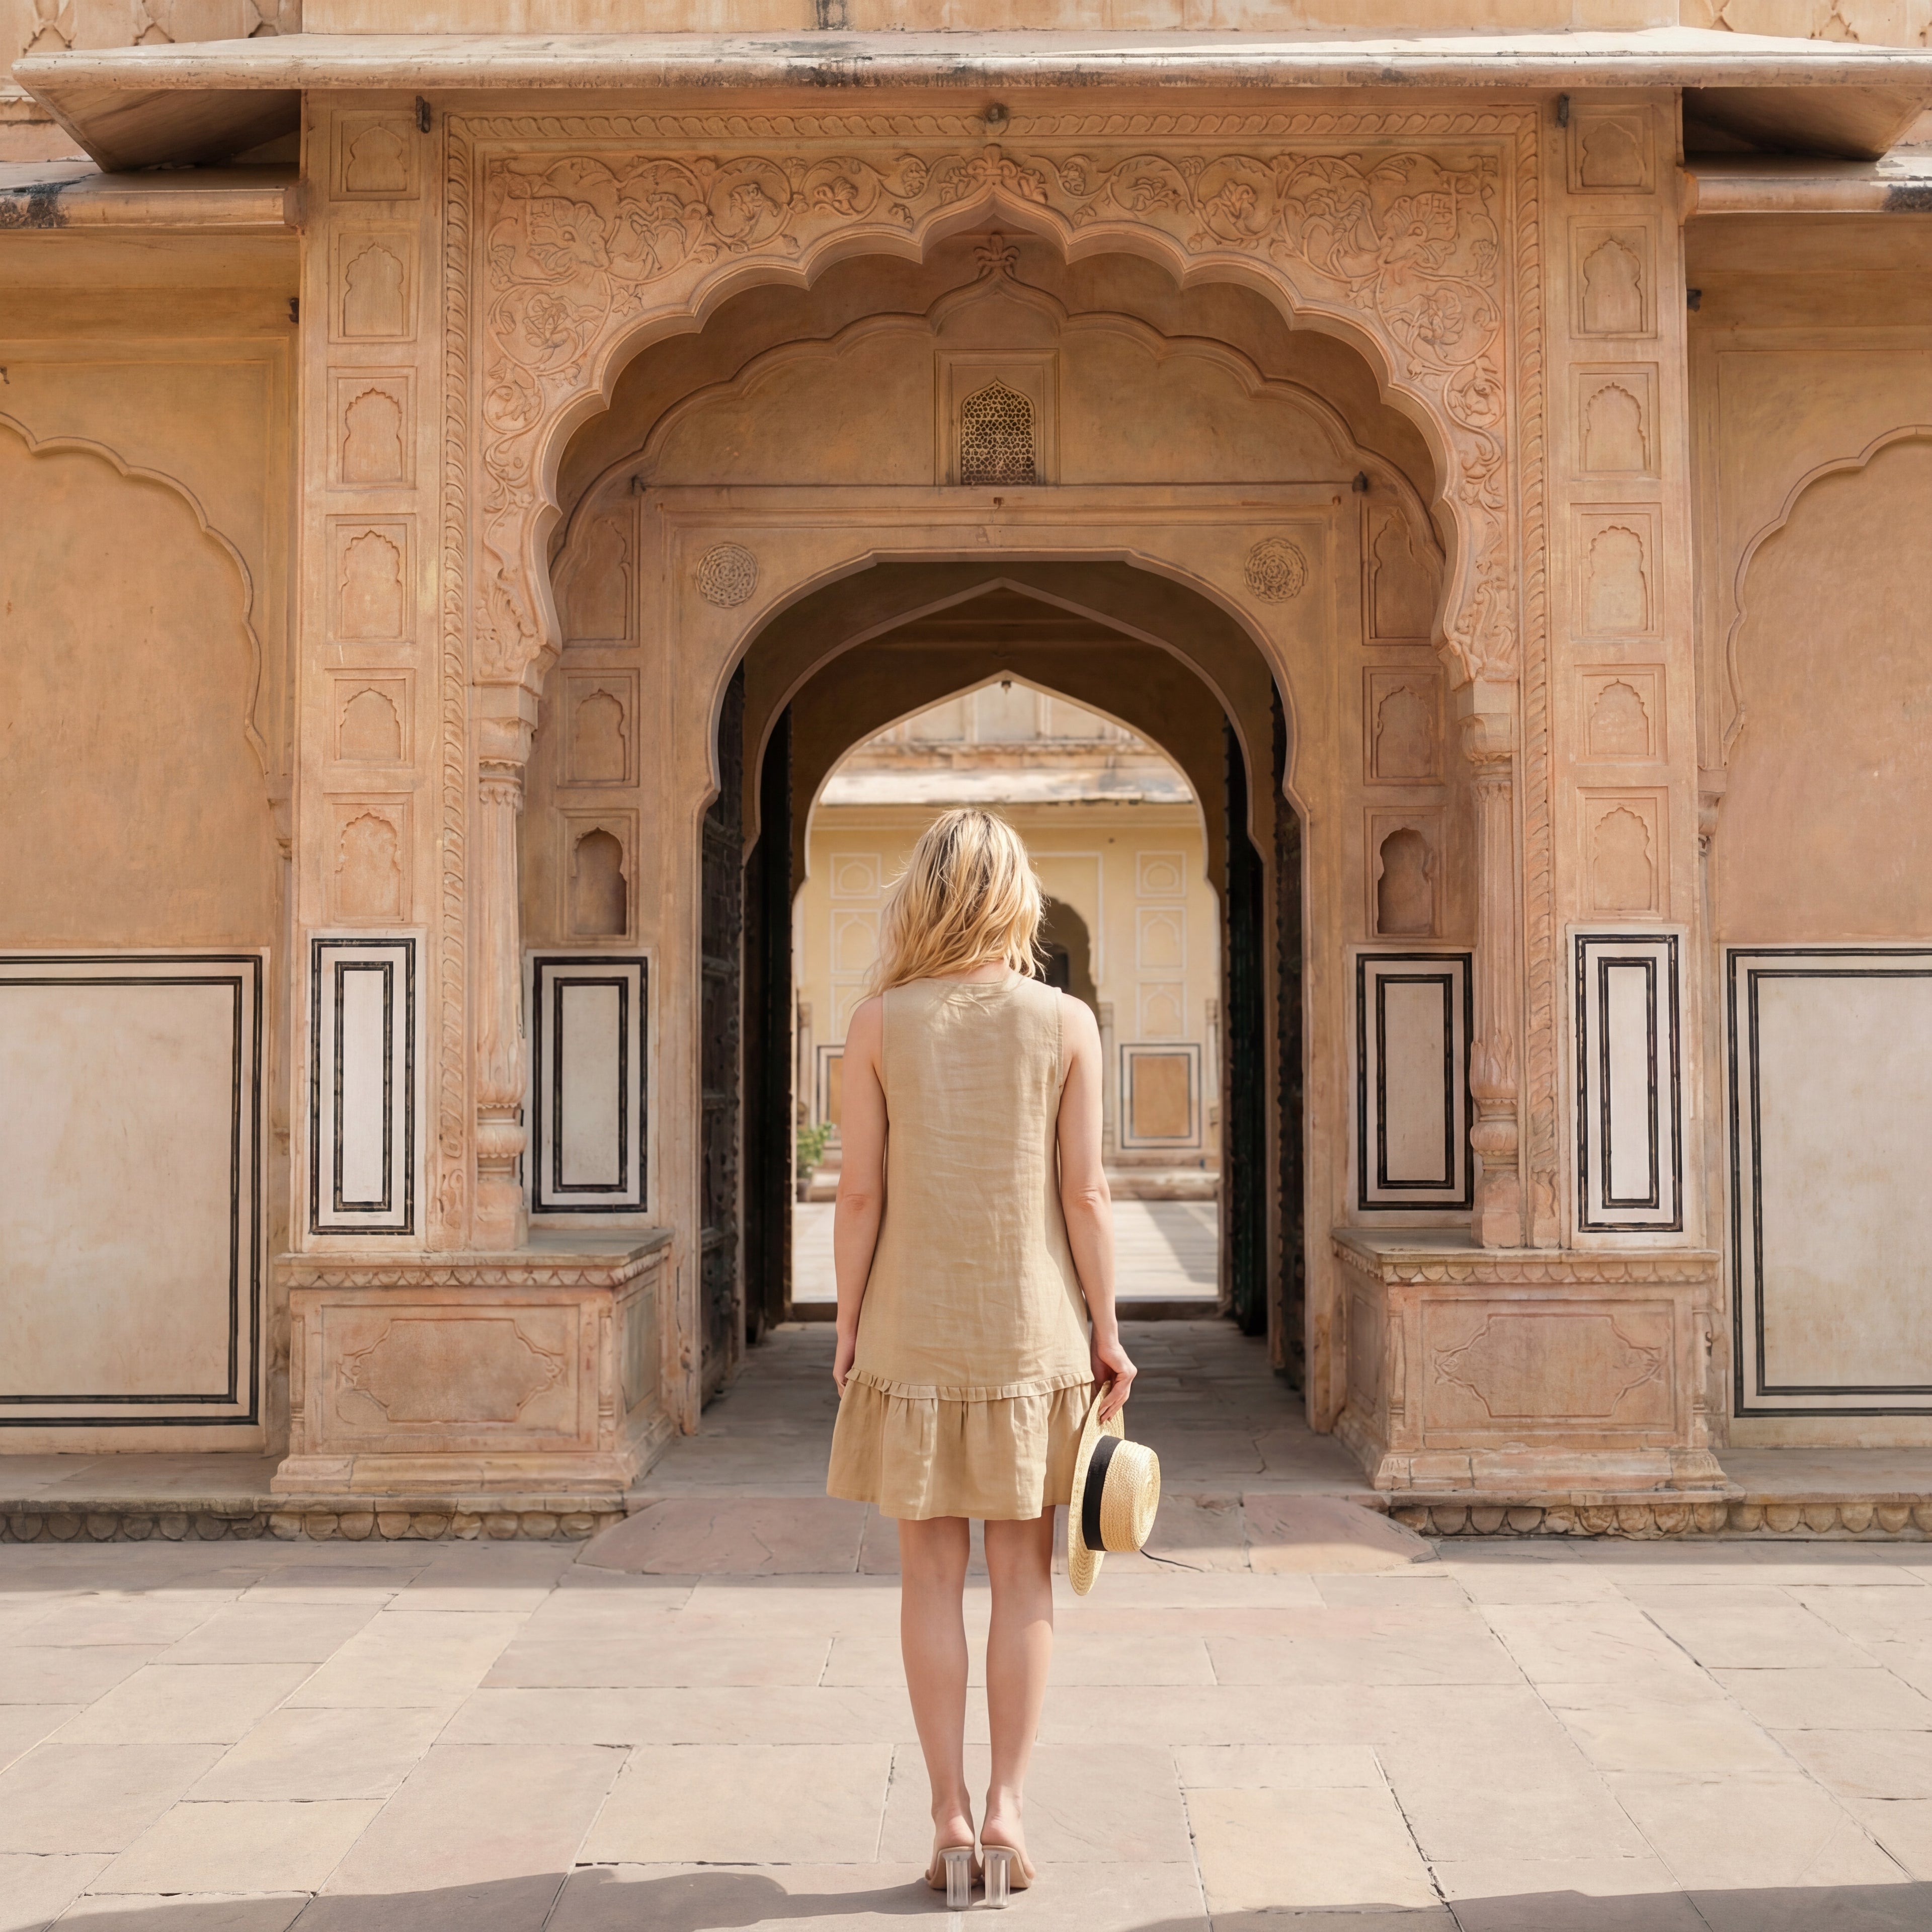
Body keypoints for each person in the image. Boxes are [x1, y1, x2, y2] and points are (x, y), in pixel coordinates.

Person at [826, 806, 1137, 1895]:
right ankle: (1008, 1809)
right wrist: (1105, 1326)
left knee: (927, 1577)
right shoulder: (1064, 1022)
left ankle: (947, 1817)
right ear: (1018, 900)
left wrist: (849, 1319)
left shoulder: (877, 1024)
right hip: (1031, 1333)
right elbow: (1086, 1193)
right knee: (1024, 1576)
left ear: (922, 897)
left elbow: (858, 1192)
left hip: (913, 1332)